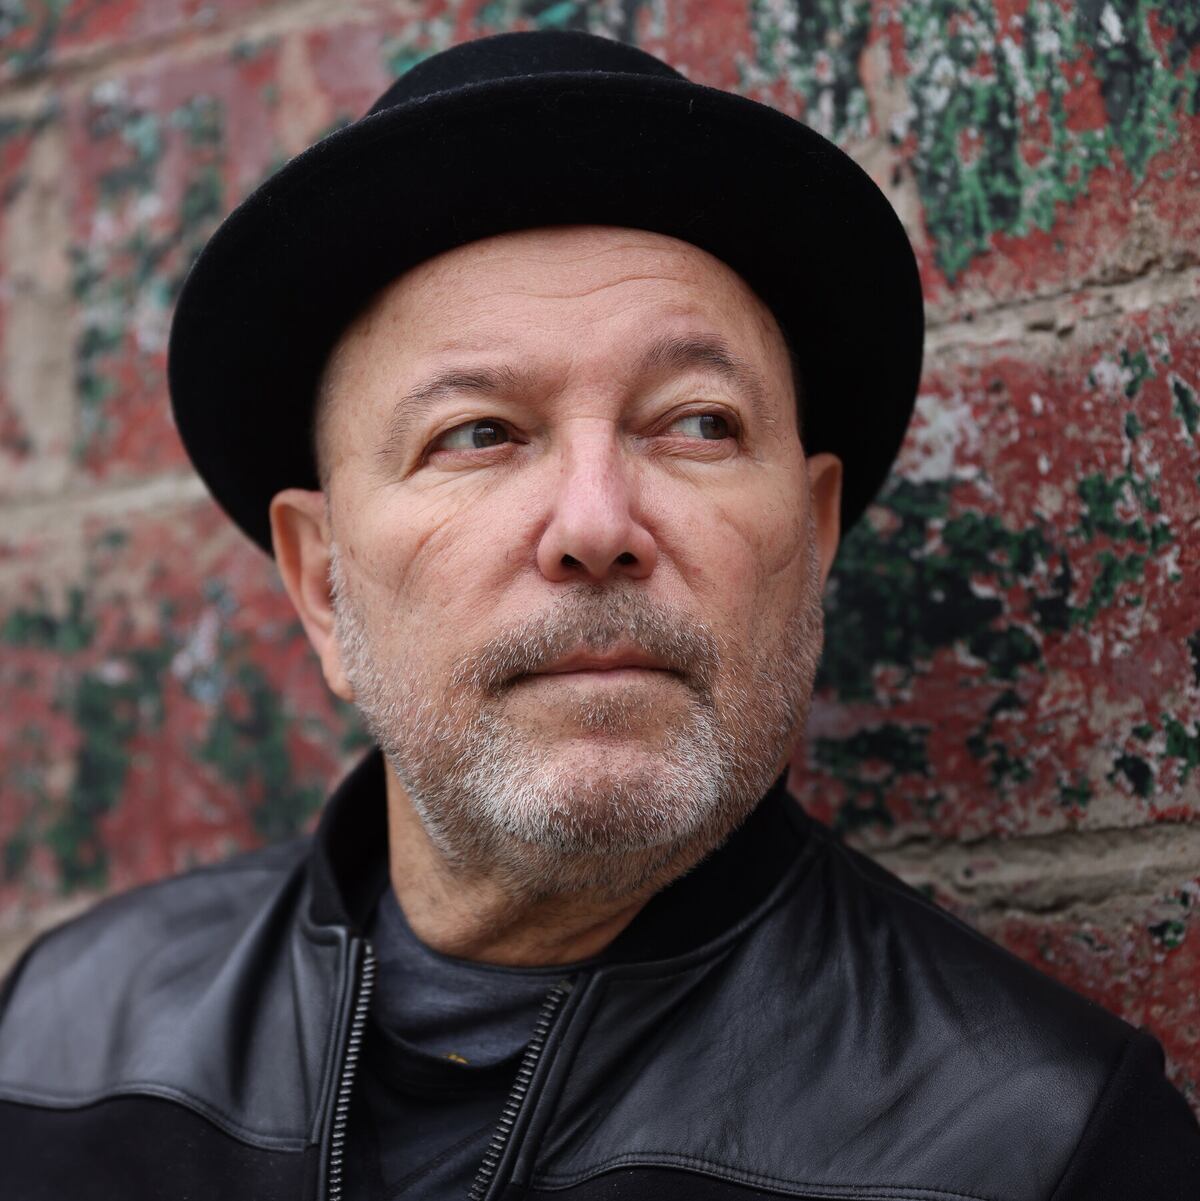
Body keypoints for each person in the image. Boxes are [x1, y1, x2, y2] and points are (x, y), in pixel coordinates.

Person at [1, 29, 1197, 1201]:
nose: (595, 522)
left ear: (814, 539)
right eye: (477, 433)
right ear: (322, 582)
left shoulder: (1041, 1149)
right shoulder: (59, 1045)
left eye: (698, 423)